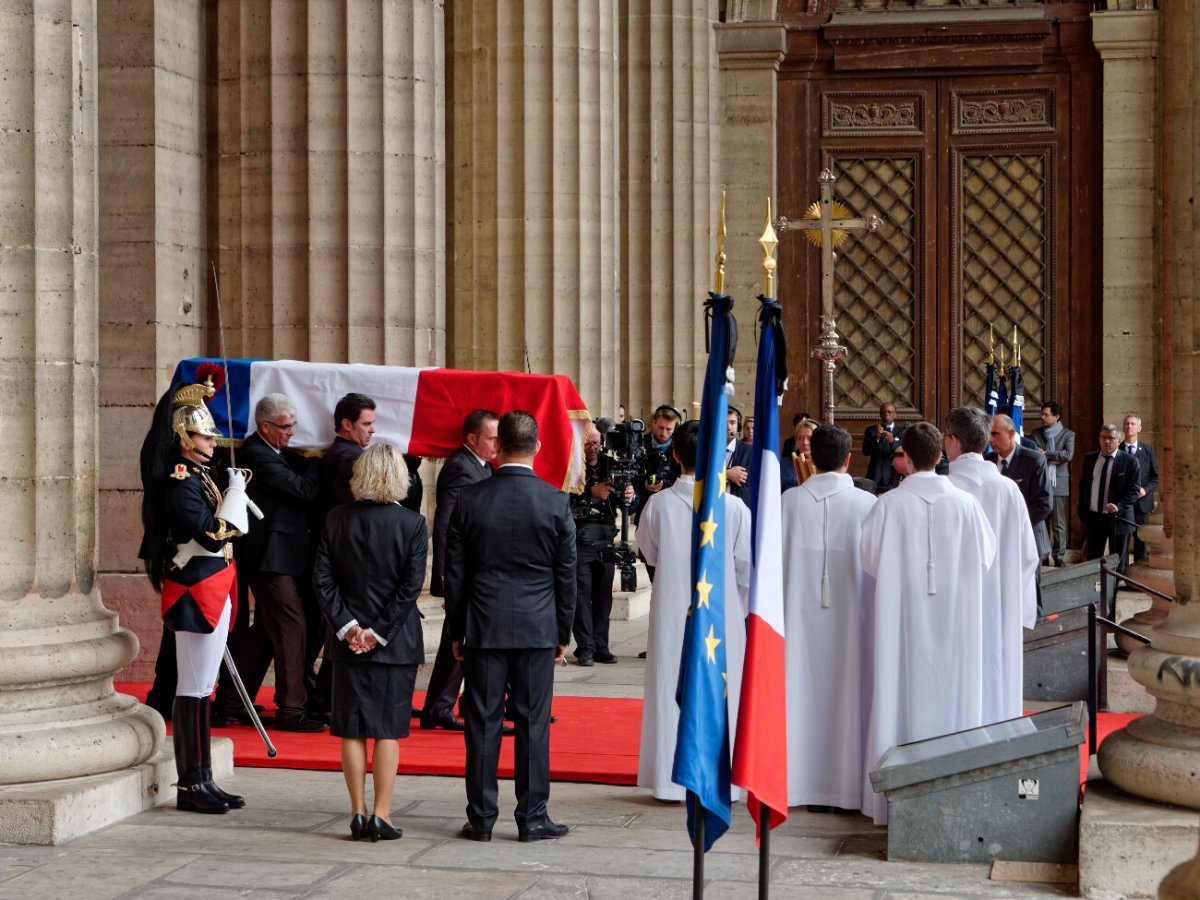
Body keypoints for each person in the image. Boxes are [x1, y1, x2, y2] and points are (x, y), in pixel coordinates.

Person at [445, 411, 577, 842]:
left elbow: (456, 573)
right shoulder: (556, 501)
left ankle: (482, 818)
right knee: (533, 722)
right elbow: (566, 574)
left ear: (497, 446)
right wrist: (562, 631)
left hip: (484, 624)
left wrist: (457, 632)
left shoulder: (470, 499)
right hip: (538, 626)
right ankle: (533, 816)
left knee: (481, 722)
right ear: (537, 447)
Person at [860, 422, 997, 825]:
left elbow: (869, 559)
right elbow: (986, 558)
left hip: (901, 617)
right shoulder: (967, 505)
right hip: (955, 617)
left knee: (898, 689)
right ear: (940, 457)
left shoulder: (887, 505)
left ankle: (896, 793)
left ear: (905, 457)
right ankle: (952, 781)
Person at [139, 374, 249, 814]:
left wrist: (231, 495)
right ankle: (190, 784)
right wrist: (236, 499)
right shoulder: (181, 480)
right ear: (185, 438)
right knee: (193, 686)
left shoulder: (201, 477)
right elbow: (213, 534)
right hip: (195, 589)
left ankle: (204, 777)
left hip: (213, 584)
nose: (213, 443)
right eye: (206, 435)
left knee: (205, 686)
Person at [313, 442, 428, 842]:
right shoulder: (412, 524)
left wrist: (349, 628)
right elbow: (410, 588)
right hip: (394, 644)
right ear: (401, 478)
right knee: (388, 731)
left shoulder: (335, 519)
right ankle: (382, 814)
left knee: (352, 729)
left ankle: (358, 812)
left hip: (347, 643)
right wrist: (377, 633)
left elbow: (323, 582)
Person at [637, 420, 750, 802]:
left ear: (674, 455)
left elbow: (650, 554)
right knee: (719, 687)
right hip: (720, 612)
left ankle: (671, 780)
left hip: (673, 611)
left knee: (672, 681)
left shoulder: (658, 505)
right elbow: (744, 568)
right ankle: (718, 776)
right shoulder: (733, 507)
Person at [780, 424, 876, 813]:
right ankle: (844, 787)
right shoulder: (867, 505)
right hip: (850, 622)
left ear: (810, 459)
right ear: (849, 459)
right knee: (848, 694)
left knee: (799, 692)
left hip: (797, 621)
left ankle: (798, 782)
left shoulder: (787, 502)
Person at [232, 393, 326, 732]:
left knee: (265, 633)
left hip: (281, 555)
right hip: (269, 557)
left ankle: (232, 701)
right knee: (292, 625)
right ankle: (291, 710)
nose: (291, 433)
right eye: (285, 427)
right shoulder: (256, 454)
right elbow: (303, 490)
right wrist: (317, 458)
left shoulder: (272, 451)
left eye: (294, 426)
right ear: (265, 427)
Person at [945, 407, 1038, 723]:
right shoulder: (1007, 489)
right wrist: (1021, 608)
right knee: (997, 680)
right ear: (984, 442)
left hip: (953, 607)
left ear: (953, 441)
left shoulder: (944, 490)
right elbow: (1029, 555)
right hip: (1000, 605)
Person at [422, 409, 499, 732]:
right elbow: (445, 524)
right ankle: (439, 706)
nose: (498, 443)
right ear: (472, 438)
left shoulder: (480, 466)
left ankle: (444, 704)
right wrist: (443, 574)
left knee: (460, 638)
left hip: (473, 571)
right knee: (461, 639)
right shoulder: (460, 468)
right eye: (492, 437)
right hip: (463, 572)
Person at [570, 424, 636, 666]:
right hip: (580, 539)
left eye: (596, 443)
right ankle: (585, 648)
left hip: (606, 539)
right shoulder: (572, 466)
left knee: (603, 597)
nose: (592, 448)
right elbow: (563, 498)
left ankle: (601, 646)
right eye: (588, 443)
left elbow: (630, 503)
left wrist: (630, 495)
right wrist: (591, 493)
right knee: (581, 595)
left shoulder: (612, 465)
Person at [988, 413, 1053, 568]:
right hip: (995, 542)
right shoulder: (987, 461)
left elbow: (1044, 504)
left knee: (1030, 591)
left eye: (995, 434)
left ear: (1011, 434)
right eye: (989, 434)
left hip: (1027, 538)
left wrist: (1012, 526)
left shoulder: (1034, 460)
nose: (990, 440)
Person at [1079, 424, 1141, 573]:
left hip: (1118, 518)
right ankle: (1095, 592)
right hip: (1094, 518)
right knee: (1092, 561)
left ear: (1119, 440)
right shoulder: (1090, 459)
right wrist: (1083, 512)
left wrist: (1119, 506)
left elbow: (1134, 490)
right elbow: (1083, 486)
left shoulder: (1129, 461)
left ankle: (1113, 592)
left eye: (1111, 438)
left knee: (1118, 562)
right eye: (1103, 437)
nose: (1106, 441)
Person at [1029, 401, 1075, 567]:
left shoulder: (1068, 435)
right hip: (1040, 481)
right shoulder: (1035, 434)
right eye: (1042, 414)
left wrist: (1046, 453)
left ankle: (1059, 556)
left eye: (1046, 414)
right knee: (1041, 521)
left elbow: (1067, 455)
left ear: (1056, 416)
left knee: (1058, 523)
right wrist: (1054, 457)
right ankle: (1043, 554)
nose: (1042, 417)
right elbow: (1035, 454)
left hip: (1058, 483)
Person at [1122, 414, 1160, 564]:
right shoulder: (1117, 450)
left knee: (1140, 541)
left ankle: (1136, 577)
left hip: (1142, 503)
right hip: (1123, 504)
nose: (1129, 426)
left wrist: (1145, 490)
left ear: (1139, 428)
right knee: (1123, 541)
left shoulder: (1147, 450)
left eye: (1132, 424)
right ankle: (1121, 573)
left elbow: (1155, 477)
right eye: (1126, 423)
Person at [724, 406, 754, 500]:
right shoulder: (708, 450)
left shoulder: (750, 451)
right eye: (724, 422)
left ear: (739, 426)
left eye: (732, 423)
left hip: (739, 510)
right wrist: (726, 474)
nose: (728, 427)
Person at [781, 417, 819, 491]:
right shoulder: (785, 464)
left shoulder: (824, 465)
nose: (804, 443)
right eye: (800, 438)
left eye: (809, 438)